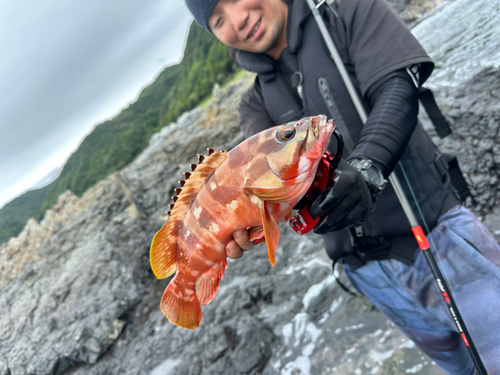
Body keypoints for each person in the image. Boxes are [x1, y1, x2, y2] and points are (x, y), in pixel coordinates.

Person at [184, 0, 500, 374]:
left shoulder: (348, 12)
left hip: (439, 238)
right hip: (366, 272)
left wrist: (367, 166)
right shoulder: (253, 103)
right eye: (218, 20)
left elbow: (396, 88)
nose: (238, 19)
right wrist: (245, 222)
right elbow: (269, 184)